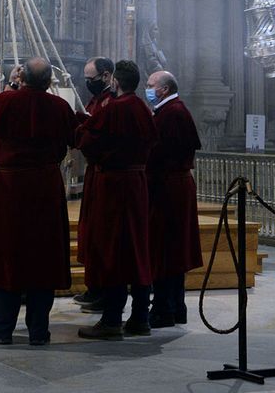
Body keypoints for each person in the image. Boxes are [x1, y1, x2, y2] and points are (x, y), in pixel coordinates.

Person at [0, 57, 76, 346]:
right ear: (49, 82)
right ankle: (38, 331)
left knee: (6, 256)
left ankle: (3, 329)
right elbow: (73, 137)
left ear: (22, 77)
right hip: (45, 187)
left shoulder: (3, 102)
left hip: (10, 188)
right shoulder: (59, 106)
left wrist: (15, 86)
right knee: (42, 260)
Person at [76, 59, 157, 340]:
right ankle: (139, 318)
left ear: (115, 82)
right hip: (137, 184)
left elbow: (87, 141)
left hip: (113, 186)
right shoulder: (142, 109)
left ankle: (111, 320)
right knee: (136, 250)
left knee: (113, 251)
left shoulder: (116, 109)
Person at [145, 70, 202, 327]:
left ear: (164, 89)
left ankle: (164, 309)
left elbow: (161, 152)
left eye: (150, 85)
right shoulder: (170, 111)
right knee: (170, 251)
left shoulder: (173, 113)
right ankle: (174, 307)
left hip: (170, 188)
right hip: (171, 186)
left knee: (167, 250)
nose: (147, 89)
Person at [74, 57, 115, 312]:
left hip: (106, 174)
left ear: (107, 75)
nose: (89, 83)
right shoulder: (97, 100)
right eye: (86, 79)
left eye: (92, 79)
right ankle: (94, 286)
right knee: (90, 233)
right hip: (94, 173)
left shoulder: (112, 104)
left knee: (101, 234)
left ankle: (103, 291)